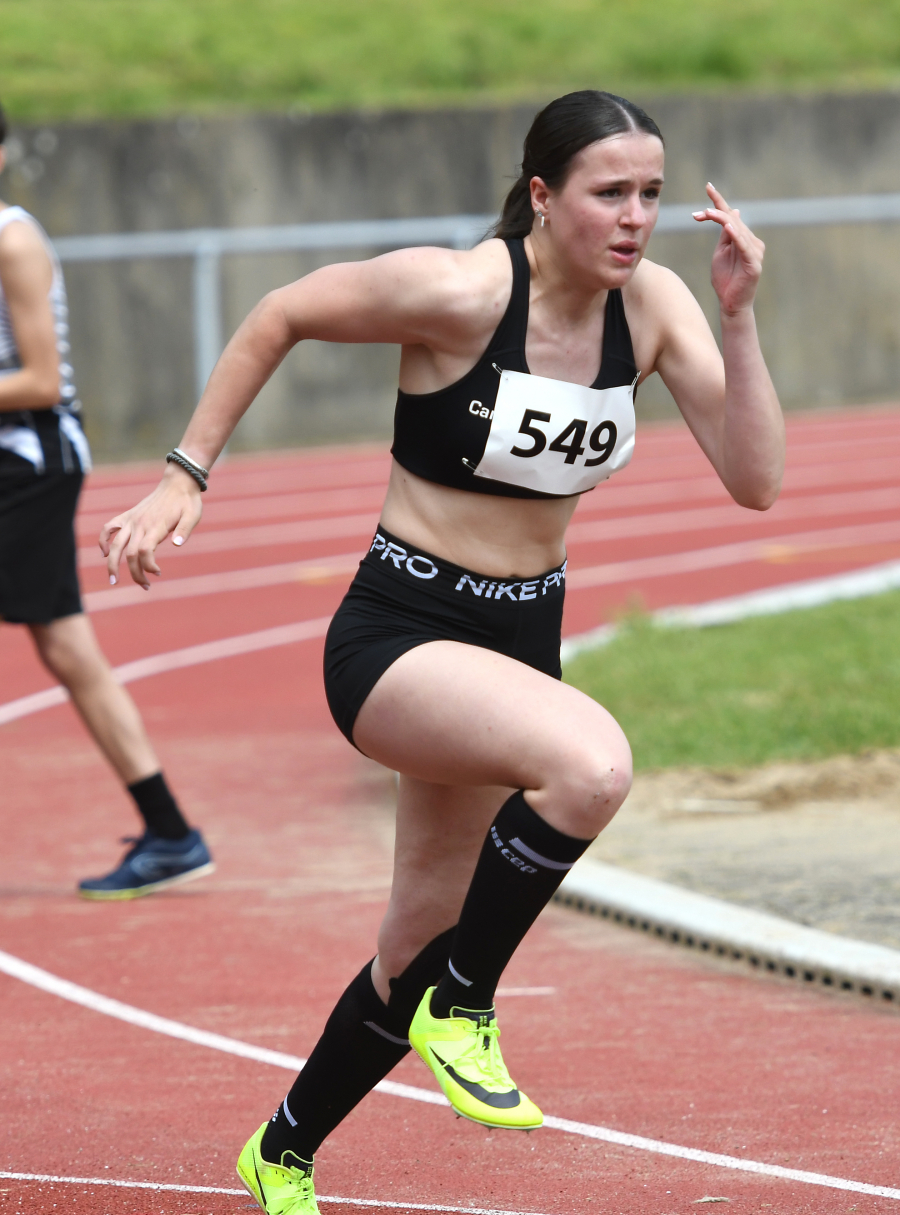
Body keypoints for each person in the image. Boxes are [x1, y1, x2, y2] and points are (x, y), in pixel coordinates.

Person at [101, 91, 784, 1213]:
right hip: (403, 633)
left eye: (652, 194)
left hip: (519, 641)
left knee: (416, 931)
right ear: (541, 195)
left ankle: (283, 1147)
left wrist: (741, 318)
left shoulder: (656, 307)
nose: (635, 217)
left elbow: (756, 481)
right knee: (592, 767)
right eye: (609, 192)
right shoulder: (463, 290)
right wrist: (187, 472)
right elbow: (280, 312)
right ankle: (464, 1006)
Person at [0, 102, 214, 900]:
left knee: (67, 645)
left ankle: (172, 832)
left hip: (31, 460)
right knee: (67, 647)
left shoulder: (12, 240)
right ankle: (170, 831)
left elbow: (41, 379)